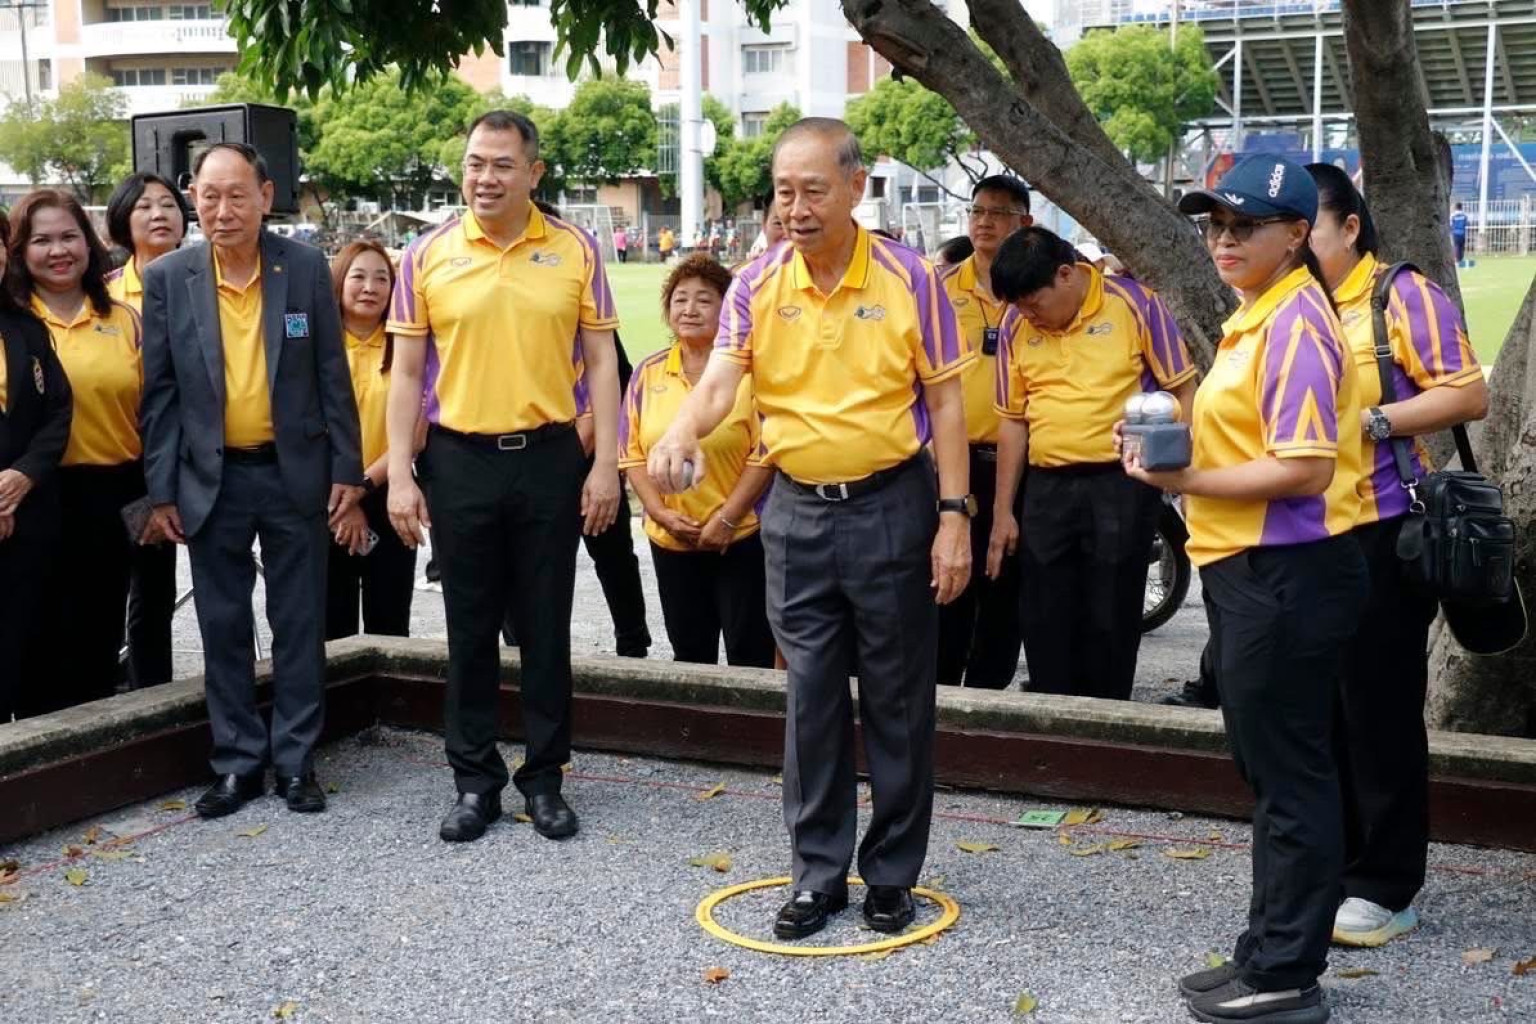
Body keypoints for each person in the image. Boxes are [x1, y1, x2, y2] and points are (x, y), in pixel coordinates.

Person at [647, 118, 973, 941]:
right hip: (793, 513)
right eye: (784, 192)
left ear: (856, 186)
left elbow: (945, 401)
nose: (795, 208)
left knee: (898, 698)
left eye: (813, 190)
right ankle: (818, 874)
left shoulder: (908, 277)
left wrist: (954, 517)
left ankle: (891, 875)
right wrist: (681, 428)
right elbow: (720, 381)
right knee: (811, 699)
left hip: (892, 505)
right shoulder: (757, 282)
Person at [1127, 155, 1368, 1024]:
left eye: (1244, 226)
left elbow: (1304, 469)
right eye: (1215, 225)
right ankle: (1266, 952)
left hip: (1286, 571)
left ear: (1297, 235)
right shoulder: (1261, 313)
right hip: (1255, 570)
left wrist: (1184, 479)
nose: (1223, 240)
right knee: (1272, 772)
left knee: (1291, 776)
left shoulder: (1294, 323)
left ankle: (1287, 975)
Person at [385, 110, 622, 844]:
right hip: (458, 460)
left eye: (501, 165)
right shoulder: (426, 254)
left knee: (547, 625)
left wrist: (605, 466)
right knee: (469, 627)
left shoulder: (576, 249)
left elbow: (603, 362)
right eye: (474, 163)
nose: (484, 178)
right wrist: (400, 476)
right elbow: (407, 374)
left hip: (550, 456)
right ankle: (474, 780)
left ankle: (545, 779)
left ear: (534, 173)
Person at [140, 142, 365, 818]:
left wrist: (348, 469)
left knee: (299, 621)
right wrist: (161, 490)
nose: (222, 210)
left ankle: (296, 762)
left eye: (237, 195)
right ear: (193, 198)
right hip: (212, 480)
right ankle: (237, 763)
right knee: (223, 624)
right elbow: (160, 393)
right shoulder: (170, 276)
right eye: (209, 196)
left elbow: (332, 373)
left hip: (294, 473)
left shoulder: (303, 267)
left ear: (266, 196)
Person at [1306, 163, 1488, 948]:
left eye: (1309, 227)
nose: (1296, 243)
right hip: (1303, 532)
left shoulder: (1399, 295)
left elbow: (1467, 392)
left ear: (1351, 227)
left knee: (1378, 712)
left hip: (1381, 529)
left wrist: (1374, 421)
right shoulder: (1291, 304)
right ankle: (1334, 864)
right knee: (1320, 709)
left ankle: (1386, 884)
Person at [989, 225, 1197, 701]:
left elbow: (1182, 389)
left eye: (1034, 303)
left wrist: (1180, 472)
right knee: (1044, 612)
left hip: (1121, 482)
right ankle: (1051, 715)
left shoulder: (1136, 305)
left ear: (1066, 274)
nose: (1027, 315)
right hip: (1046, 485)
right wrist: (1003, 512)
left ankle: (1107, 717)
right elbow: (1013, 421)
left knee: (1111, 611)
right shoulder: (1016, 323)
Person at [8, 191, 145, 714]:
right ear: (20, 251)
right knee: (34, 633)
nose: (58, 251)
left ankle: (93, 744)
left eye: (69, 237)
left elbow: (154, 412)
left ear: (89, 244)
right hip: (35, 496)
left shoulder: (125, 319)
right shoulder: (15, 322)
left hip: (112, 494)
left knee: (99, 631)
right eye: (41, 240)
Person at [620, 253, 774, 667]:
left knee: (751, 653)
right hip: (672, 538)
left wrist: (728, 518)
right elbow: (631, 453)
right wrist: (660, 514)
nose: (690, 309)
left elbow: (765, 453)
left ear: (728, 310)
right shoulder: (648, 373)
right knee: (689, 653)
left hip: (741, 537)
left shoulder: (750, 373)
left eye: (704, 300)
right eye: (680, 299)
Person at [935, 176, 1032, 688]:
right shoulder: (941, 289)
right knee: (948, 580)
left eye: (998, 213)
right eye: (977, 211)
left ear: (1024, 222)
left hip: (1019, 461)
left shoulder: (1037, 289)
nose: (984, 222)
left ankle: (988, 695)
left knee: (1005, 584)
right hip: (955, 462)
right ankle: (940, 694)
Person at [105, 171, 193, 690]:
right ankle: (143, 694)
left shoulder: (208, 280)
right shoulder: (106, 295)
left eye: (168, 204)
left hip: (201, 455)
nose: (159, 214)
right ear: (123, 220)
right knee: (139, 586)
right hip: (133, 459)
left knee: (173, 588)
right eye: (144, 206)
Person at [324, 240, 420, 640]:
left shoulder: (406, 347)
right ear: (339, 282)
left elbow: (417, 431)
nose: (370, 287)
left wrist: (362, 490)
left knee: (390, 619)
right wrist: (345, 500)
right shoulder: (319, 348)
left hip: (389, 492)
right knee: (331, 621)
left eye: (382, 279)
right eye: (358, 276)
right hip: (326, 495)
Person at [0, 213, 72, 721]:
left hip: (29, 514)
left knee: (26, 649)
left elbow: (58, 411)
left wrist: (24, 475)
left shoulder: (26, 328)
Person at [1450, 202, 1468, 266]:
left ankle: (1457, 260)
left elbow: (1451, 224)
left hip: (1455, 233)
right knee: (1462, 246)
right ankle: (1461, 260)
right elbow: (1466, 224)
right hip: (1462, 233)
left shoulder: (1453, 215)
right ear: (1461, 207)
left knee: (1456, 246)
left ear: (1456, 207)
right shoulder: (1464, 215)